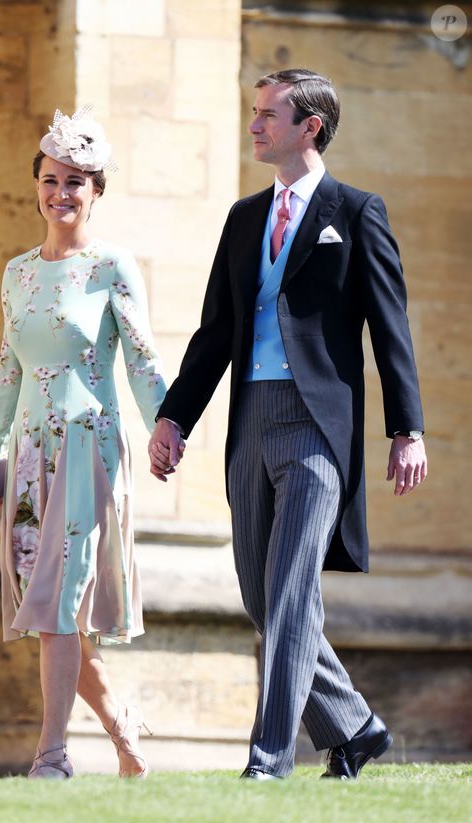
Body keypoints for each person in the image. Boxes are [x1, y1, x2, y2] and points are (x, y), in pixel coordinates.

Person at [149, 69, 427, 780]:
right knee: (259, 591)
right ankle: (355, 725)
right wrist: (174, 415)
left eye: (269, 115)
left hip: (316, 427)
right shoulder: (244, 219)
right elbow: (215, 333)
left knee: (294, 586)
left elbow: (389, 327)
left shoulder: (356, 211)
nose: (254, 125)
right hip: (251, 419)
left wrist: (408, 427)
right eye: (253, 113)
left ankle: (269, 760)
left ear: (312, 127)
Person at [0, 107, 174, 779]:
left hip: (89, 453)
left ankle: (52, 755)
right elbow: (9, 369)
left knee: (60, 599)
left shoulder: (111, 266)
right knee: (47, 608)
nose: (62, 194)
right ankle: (122, 722)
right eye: (53, 180)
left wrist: (166, 427)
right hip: (30, 460)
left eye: (77, 183)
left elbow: (144, 360)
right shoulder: (15, 272)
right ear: (37, 183)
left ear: (97, 192)